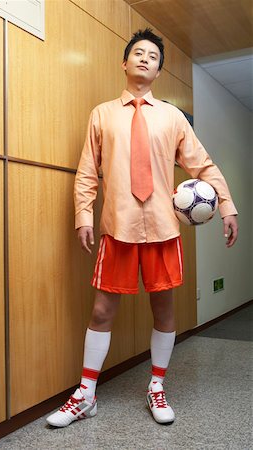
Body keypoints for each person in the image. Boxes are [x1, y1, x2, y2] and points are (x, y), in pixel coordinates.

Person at [46, 28, 238, 428]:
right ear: (125, 62)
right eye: (138, 52)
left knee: (163, 307)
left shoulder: (171, 117)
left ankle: (156, 386)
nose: (145, 58)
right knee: (101, 309)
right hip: (118, 227)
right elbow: (86, 172)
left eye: (153, 55)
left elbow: (202, 165)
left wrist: (226, 205)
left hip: (163, 230)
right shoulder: (102, 114)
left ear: (159, 69)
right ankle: (86, 394)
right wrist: (83, 215)